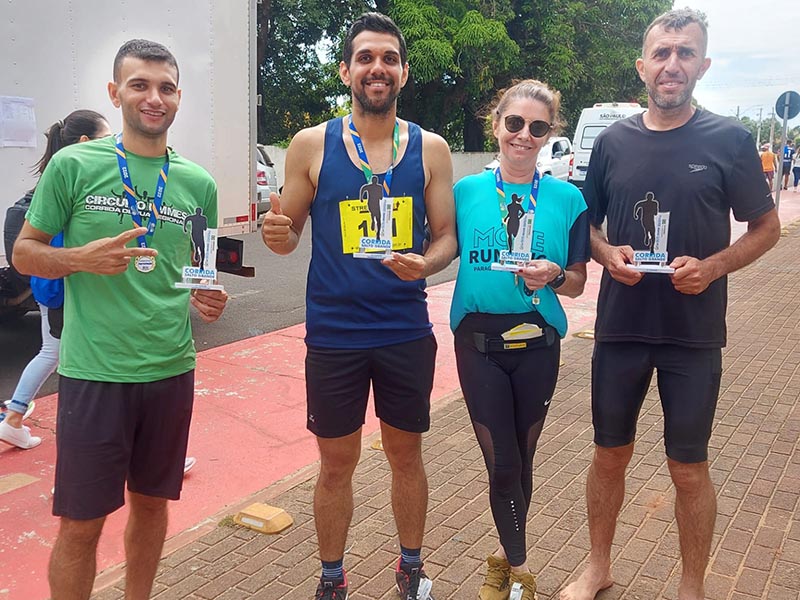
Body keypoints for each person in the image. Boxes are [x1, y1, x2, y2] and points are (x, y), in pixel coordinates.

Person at [560, 9, 780, 600]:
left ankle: (691, 586)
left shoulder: (729, 140)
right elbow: (588, 227)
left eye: (685, 53)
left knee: (688, 468)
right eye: (661, 53)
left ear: (702, 65)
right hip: (622, 329)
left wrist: (713, 267)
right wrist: (606, 255)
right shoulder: (610, 143)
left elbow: (766, 228)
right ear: (642, 66)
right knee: (609, 457)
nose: (672, 64)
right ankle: (597, 567)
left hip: (694, 334)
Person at [12, 39, 228, 599]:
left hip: (170, 371)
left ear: (178, 97)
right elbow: (24, 252)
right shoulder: (74, 165)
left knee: (153, 509)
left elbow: (200, 274)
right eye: (139, 85)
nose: (153, 98)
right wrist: (82, 260)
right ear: (116, 93)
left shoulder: (198, 183)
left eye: (165, 88)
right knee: (82, 524)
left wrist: (208, 298)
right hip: (95, 375)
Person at [261, 12, 456, 600]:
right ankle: (331, 577)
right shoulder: (312, 144)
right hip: (334, 334)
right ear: (346, 70)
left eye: (389, 58)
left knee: (405, 455)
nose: (378, 68)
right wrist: (277, 234)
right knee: (337, 463)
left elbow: (446, 236)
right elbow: (286, 229)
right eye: (366, 57)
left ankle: (410, 567)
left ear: (403, 71)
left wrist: (427, 263)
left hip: (403, 328)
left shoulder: (431, 148)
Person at [451, 79, 589, 600]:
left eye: (537, 127)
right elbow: (438, 247)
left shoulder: (568, 198)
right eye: (515, 124)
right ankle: (522, 570)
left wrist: (554, 273)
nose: (524, 136)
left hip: (537, 343)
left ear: (548, 134)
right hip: (477, 342)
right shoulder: (465, 192)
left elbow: (575, 281)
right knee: (502, 462)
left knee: (523, 460)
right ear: (497, 125)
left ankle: (503, 560)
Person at [0, 110, 110, 450]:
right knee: (97, 362)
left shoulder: (54, 179)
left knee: (54, 352)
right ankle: (140, 447)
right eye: (107, 140)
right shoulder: (72, 183)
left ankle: (15, 417)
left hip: (54, 288)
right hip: (72, 290)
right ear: (84, 143)